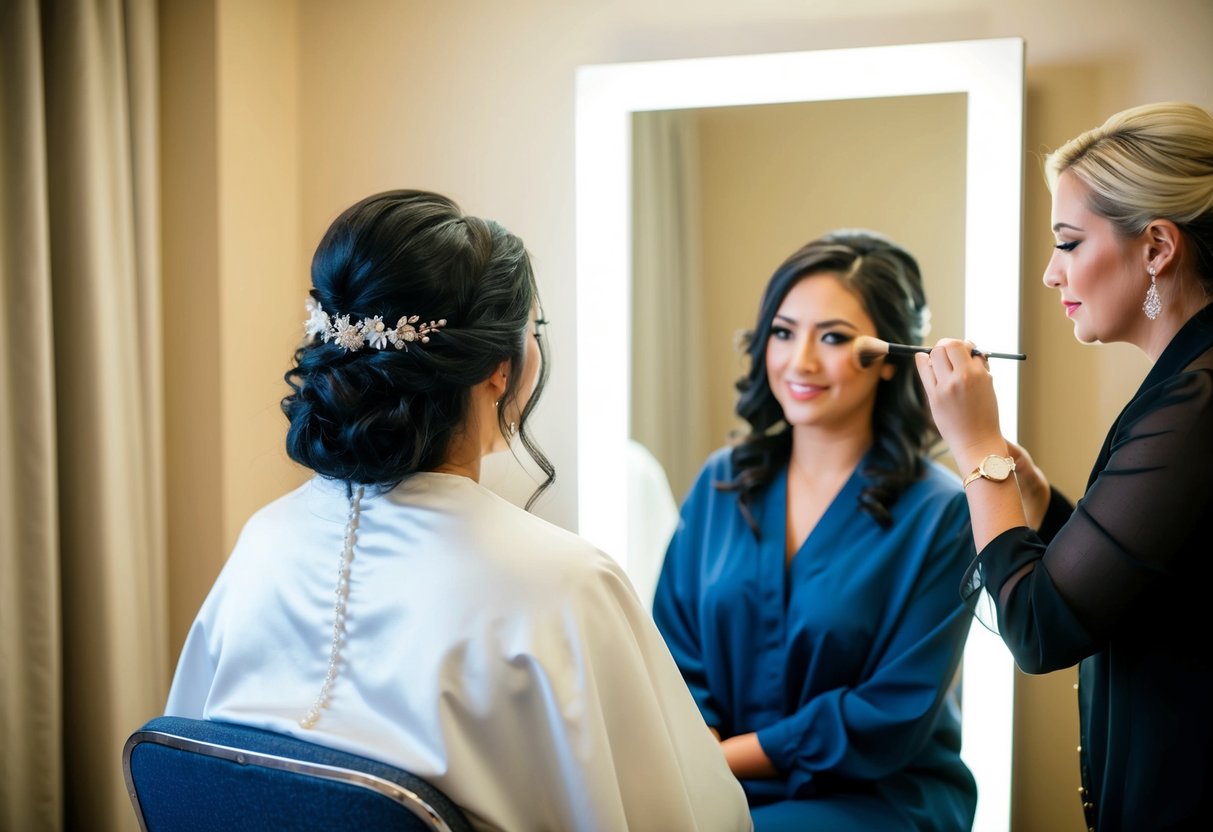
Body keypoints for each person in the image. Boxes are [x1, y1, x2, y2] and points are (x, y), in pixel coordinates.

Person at [165, 190, 752, 832]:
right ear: (501, 368)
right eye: (534, 330)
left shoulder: (263, 540)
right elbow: (694, 815)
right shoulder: (563, 584)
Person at [916, 102, 1213, 831]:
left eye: (1069, 243)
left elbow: (1041, 629)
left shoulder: (1197, 402)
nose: (1051, 275)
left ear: (1155, 248)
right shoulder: (1186, 381)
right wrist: (1034, 494)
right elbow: (1140, 573)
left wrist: (977, 451)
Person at [652, 230, 978, 831]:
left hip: (872, 800)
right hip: (713, 784)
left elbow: (891, 712)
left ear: (887, 358)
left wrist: (720, 762)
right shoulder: (724, 482)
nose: (799, 361)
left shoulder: (942, 514)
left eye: (831, 337)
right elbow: (672, 652)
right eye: (783, 332)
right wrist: (698, 757)